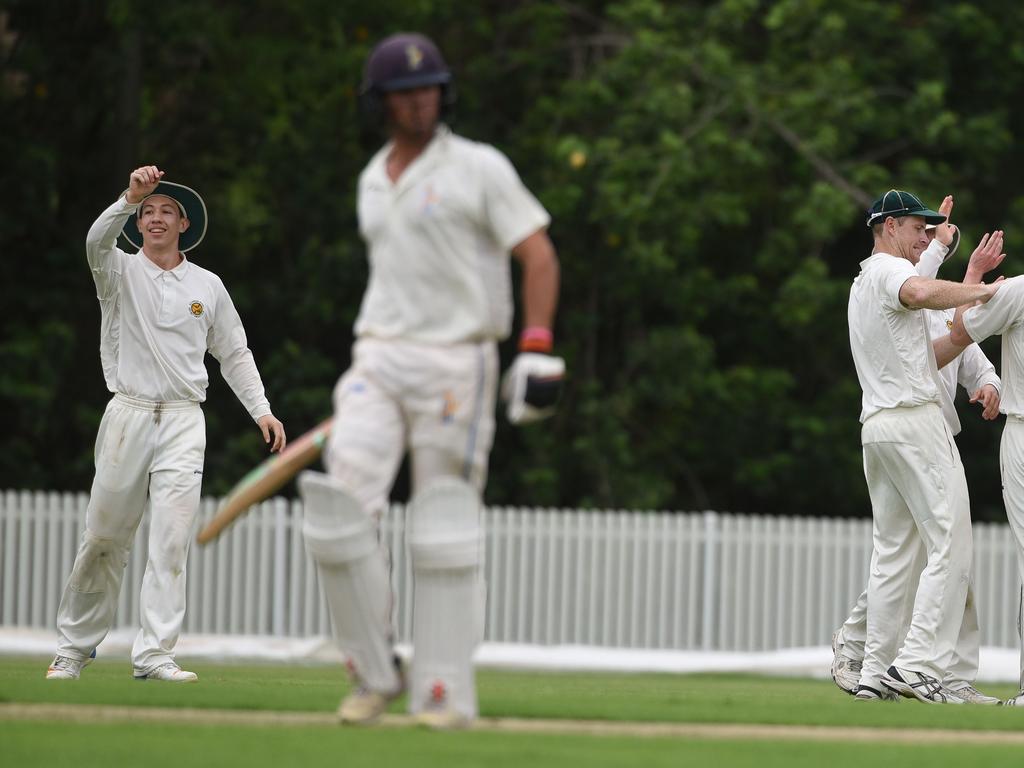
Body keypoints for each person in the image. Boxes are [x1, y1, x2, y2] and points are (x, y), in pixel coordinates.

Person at [297, 32, 563, 729]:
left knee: (444, 522)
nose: (418, 102)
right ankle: (374, 670)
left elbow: (537, 255)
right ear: (380, 102)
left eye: (427, 89)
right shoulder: (371, 177)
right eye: (403, 93)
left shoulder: (479, 167)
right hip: (378, 354)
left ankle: (443, 690)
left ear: (442, 93)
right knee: (339, 510)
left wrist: (534, 348)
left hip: (458, 357)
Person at [46, 165, 286, 683]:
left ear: (183, 225)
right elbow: (95, 240)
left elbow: (234, 352)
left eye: (165, 212)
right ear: (137, 221)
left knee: (171, 541)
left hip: (183, 419)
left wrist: (261, 409)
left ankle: (154, 654)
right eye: (148, 212)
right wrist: (128, 197)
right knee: (104, 538)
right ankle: (73, 649)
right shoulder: (118, 270)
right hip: (128, 414)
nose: (155, 218)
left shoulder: (208, 285)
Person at [833, 202, 1004, 704]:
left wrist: (943, 249)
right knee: (952, 545)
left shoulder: (865, 281)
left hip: (878, 428)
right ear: (889, 226)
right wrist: (989, 290)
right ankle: (917, 667)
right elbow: (921, 290)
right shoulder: (891, 272)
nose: (923, 237)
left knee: (895, 556)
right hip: (914, 422)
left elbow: (925, 296)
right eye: (917, 229)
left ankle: (873, 675)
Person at [948, 235, 1024, 706]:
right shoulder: (1016, 291)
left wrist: (974, 276)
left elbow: (958, 332)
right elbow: (961, 333)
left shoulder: (1016, 290)